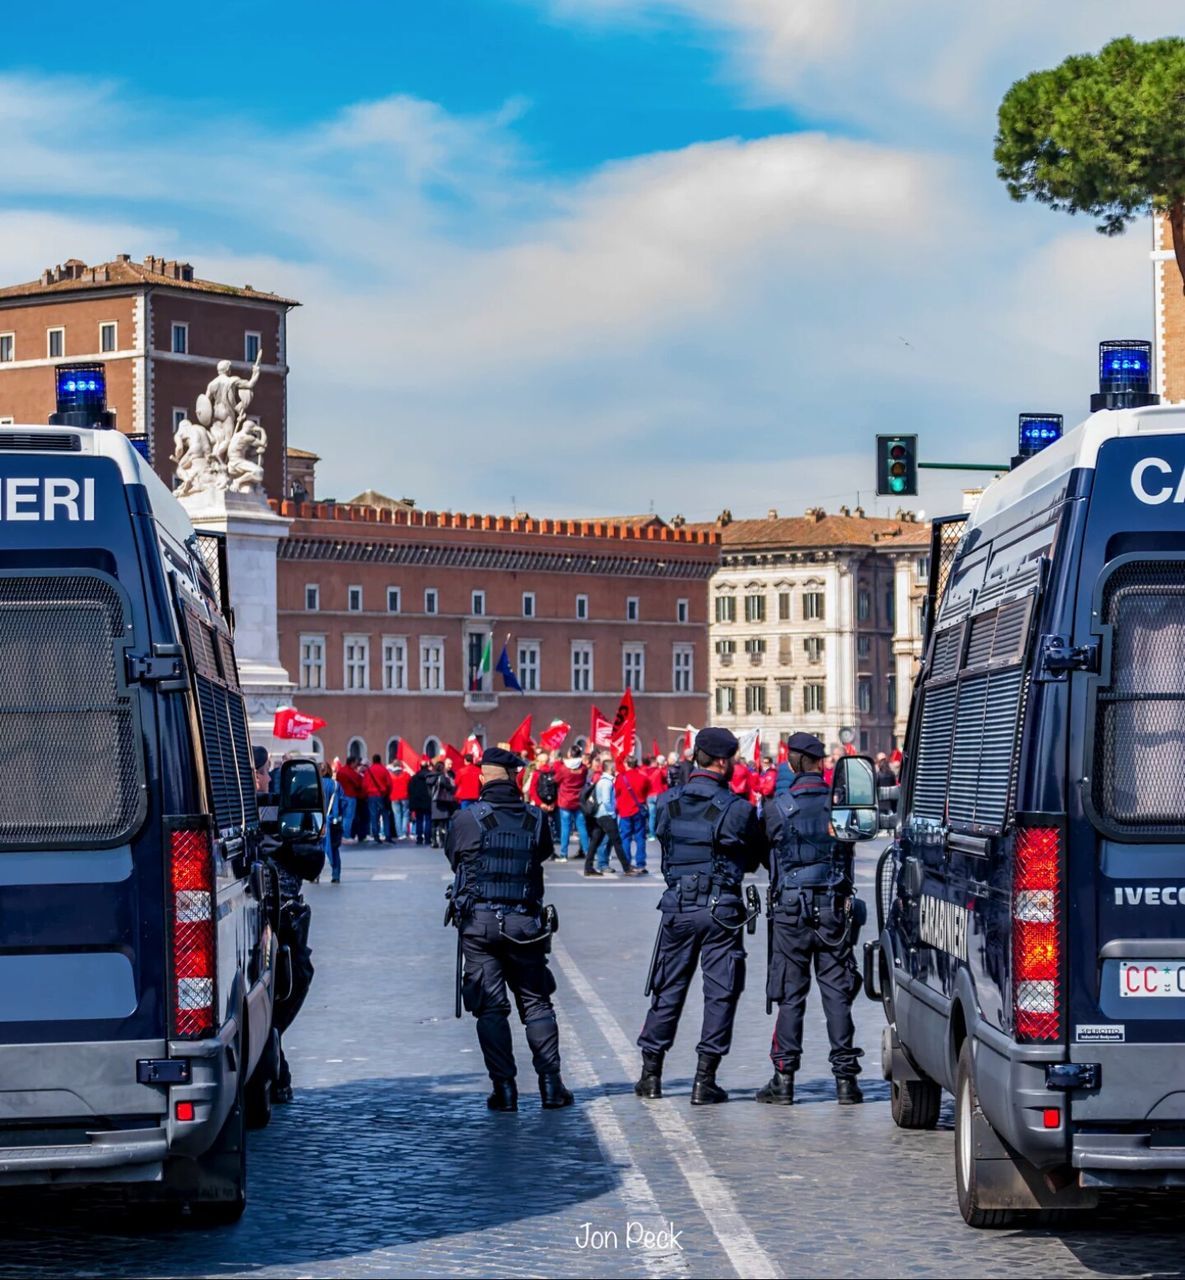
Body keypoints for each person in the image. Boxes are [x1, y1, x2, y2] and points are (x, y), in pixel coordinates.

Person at [635, 728, 766, 1104]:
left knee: (668, 989)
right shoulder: (737, 808)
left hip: (678, 906)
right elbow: (755, 856)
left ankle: (651, 1075)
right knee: (720, 992)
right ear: (722, 762)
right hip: (721, 909)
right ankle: (703, 1080)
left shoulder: (665, 802)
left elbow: (663, 841)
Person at [444, 747, 574, 1112]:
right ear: (515, 777)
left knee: (490, 1008)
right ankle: (551, 1086)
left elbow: (454, 856)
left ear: (483, 778)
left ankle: (504, 1091)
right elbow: (542, 854)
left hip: (480, 925)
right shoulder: (534, 818)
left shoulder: (467, 819)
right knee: (535, 1003)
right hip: (524, 923)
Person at [757, 732, 863, 1106]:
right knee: (837, 993)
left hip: (790, 909)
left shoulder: (776, 807)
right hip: (833, 906)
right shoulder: (840, 804)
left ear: (792, 763)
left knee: (791, 994)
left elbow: (761, 853)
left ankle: (784, 1080)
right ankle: (846, 1083)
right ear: (820, 763)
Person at [585, 755, 636, 877]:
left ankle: (588, 867)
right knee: (617, 841)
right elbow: (607, 801)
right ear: (611, 768)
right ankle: (626, 867)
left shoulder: (601, 781)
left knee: (595, 841)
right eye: (614, 768)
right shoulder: (607, 783)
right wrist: (612, 814)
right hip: (606, 815)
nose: (615, 770)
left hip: (599, 815)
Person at [616, 756, 651, 873]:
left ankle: (627, 863)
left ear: (626, 764)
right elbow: (647, 791)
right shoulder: (643, 777)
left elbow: (617, 793)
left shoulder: (621, 777)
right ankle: (641, 864)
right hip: (638, 810)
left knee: (625, 837)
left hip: (625, 811)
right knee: (640, 838)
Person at [554, 746, 589, 860]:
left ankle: (563, 854)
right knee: (581, 827)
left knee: (565, 828)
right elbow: (584, 780)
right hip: (578, 801)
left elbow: (556, 780)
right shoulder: (583, 769)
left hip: (565, 800)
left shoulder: (563, 768)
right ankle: (587, 852)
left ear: (570, 754)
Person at [321, 760, 344, 883]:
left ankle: (315, 874)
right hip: (333, 822)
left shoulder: (315, 785)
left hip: (317, 822)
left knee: (317, 849)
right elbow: (343, 802)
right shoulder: (336, 785)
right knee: (334, 849)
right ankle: (336, 874)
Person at [363, 754, 393, 842]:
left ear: (373, 760)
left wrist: (365, 795)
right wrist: (387, 794)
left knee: (374, 816)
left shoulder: (369, 771)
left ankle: (376, 835)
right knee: (385, 816)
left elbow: (364, 784)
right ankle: (387, 835)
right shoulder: (384, 770)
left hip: (371, 795)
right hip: (382, 795)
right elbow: (389, 784)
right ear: (380, 760)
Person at [428, 759, 457, 847]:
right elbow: (448, 787)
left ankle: (433, 841)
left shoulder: (430, 776)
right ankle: (442, 841)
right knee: (442, 822)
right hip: (442, 800)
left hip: (433, 801)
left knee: (434, 823)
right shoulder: (442, 776)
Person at [336, 755, 364, 841]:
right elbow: (358, 783)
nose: (357, 764)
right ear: (352, 763)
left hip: (341, 796)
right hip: (350, 796)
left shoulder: (341, 771)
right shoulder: (351, 772)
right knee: (349, 817)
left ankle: (342, 835)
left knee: (344, 816)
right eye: (356, 763)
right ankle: (346, 835)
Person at [408, 760, 433, 845]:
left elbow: (410, 791)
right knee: (429, 820)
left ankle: (419, 838)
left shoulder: (414, 778)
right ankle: (428, 838)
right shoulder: (431, 777)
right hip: (429, 801)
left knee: (419, 820)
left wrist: (412, 804)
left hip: (418, 802)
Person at [389, 760, 410, 839]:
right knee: (405, 815)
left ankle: (399, 833)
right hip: (405, 796)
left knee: (397, 815)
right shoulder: (406, 775)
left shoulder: (390, 776)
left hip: (394, 797)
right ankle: (404, 832)